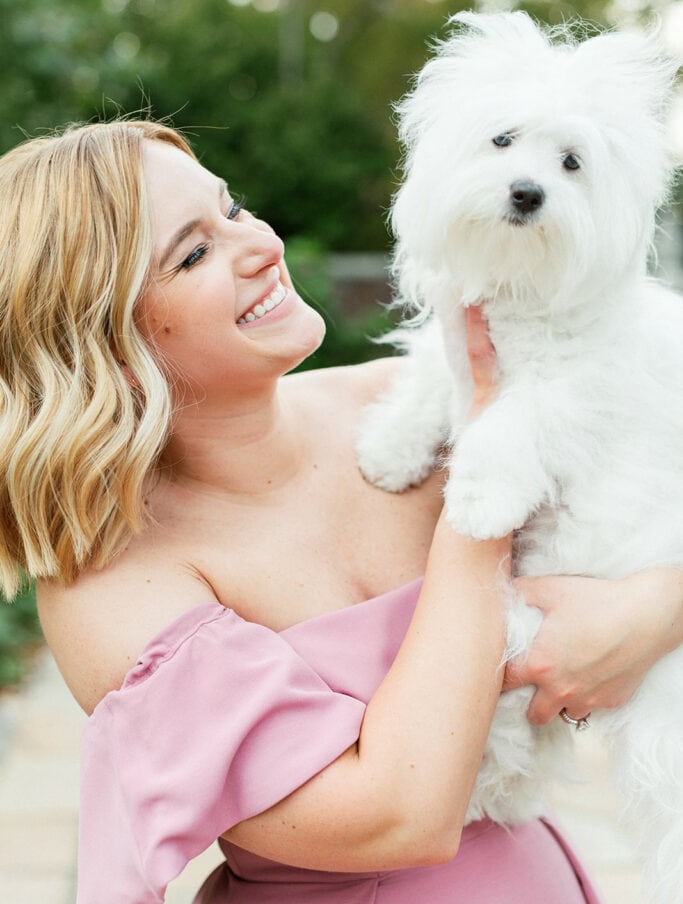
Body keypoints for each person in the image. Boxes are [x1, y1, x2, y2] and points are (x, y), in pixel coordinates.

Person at [0, 119, 682, 904]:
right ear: (106, 347)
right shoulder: (113, 584)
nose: (259, 245)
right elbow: (397, 816)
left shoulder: (405, 404)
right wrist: (484, 495)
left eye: (233, 208)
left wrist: (659, 602)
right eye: (193, 253)